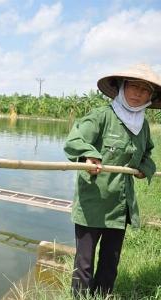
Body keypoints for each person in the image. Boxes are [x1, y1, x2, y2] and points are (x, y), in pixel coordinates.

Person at [63, 63, 161, 298]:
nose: (138, 93)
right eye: (133, 87)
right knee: (84, 264)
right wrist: (89, 155)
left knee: (110, 261)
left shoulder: (143, 125)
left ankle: (102, 296)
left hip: (120, 206)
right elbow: (74, 141)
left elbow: (148, 155)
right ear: (120, 88)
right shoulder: (101, 116)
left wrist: (143, 169)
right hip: (92, 203)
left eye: (145, 90)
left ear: (151, 97)